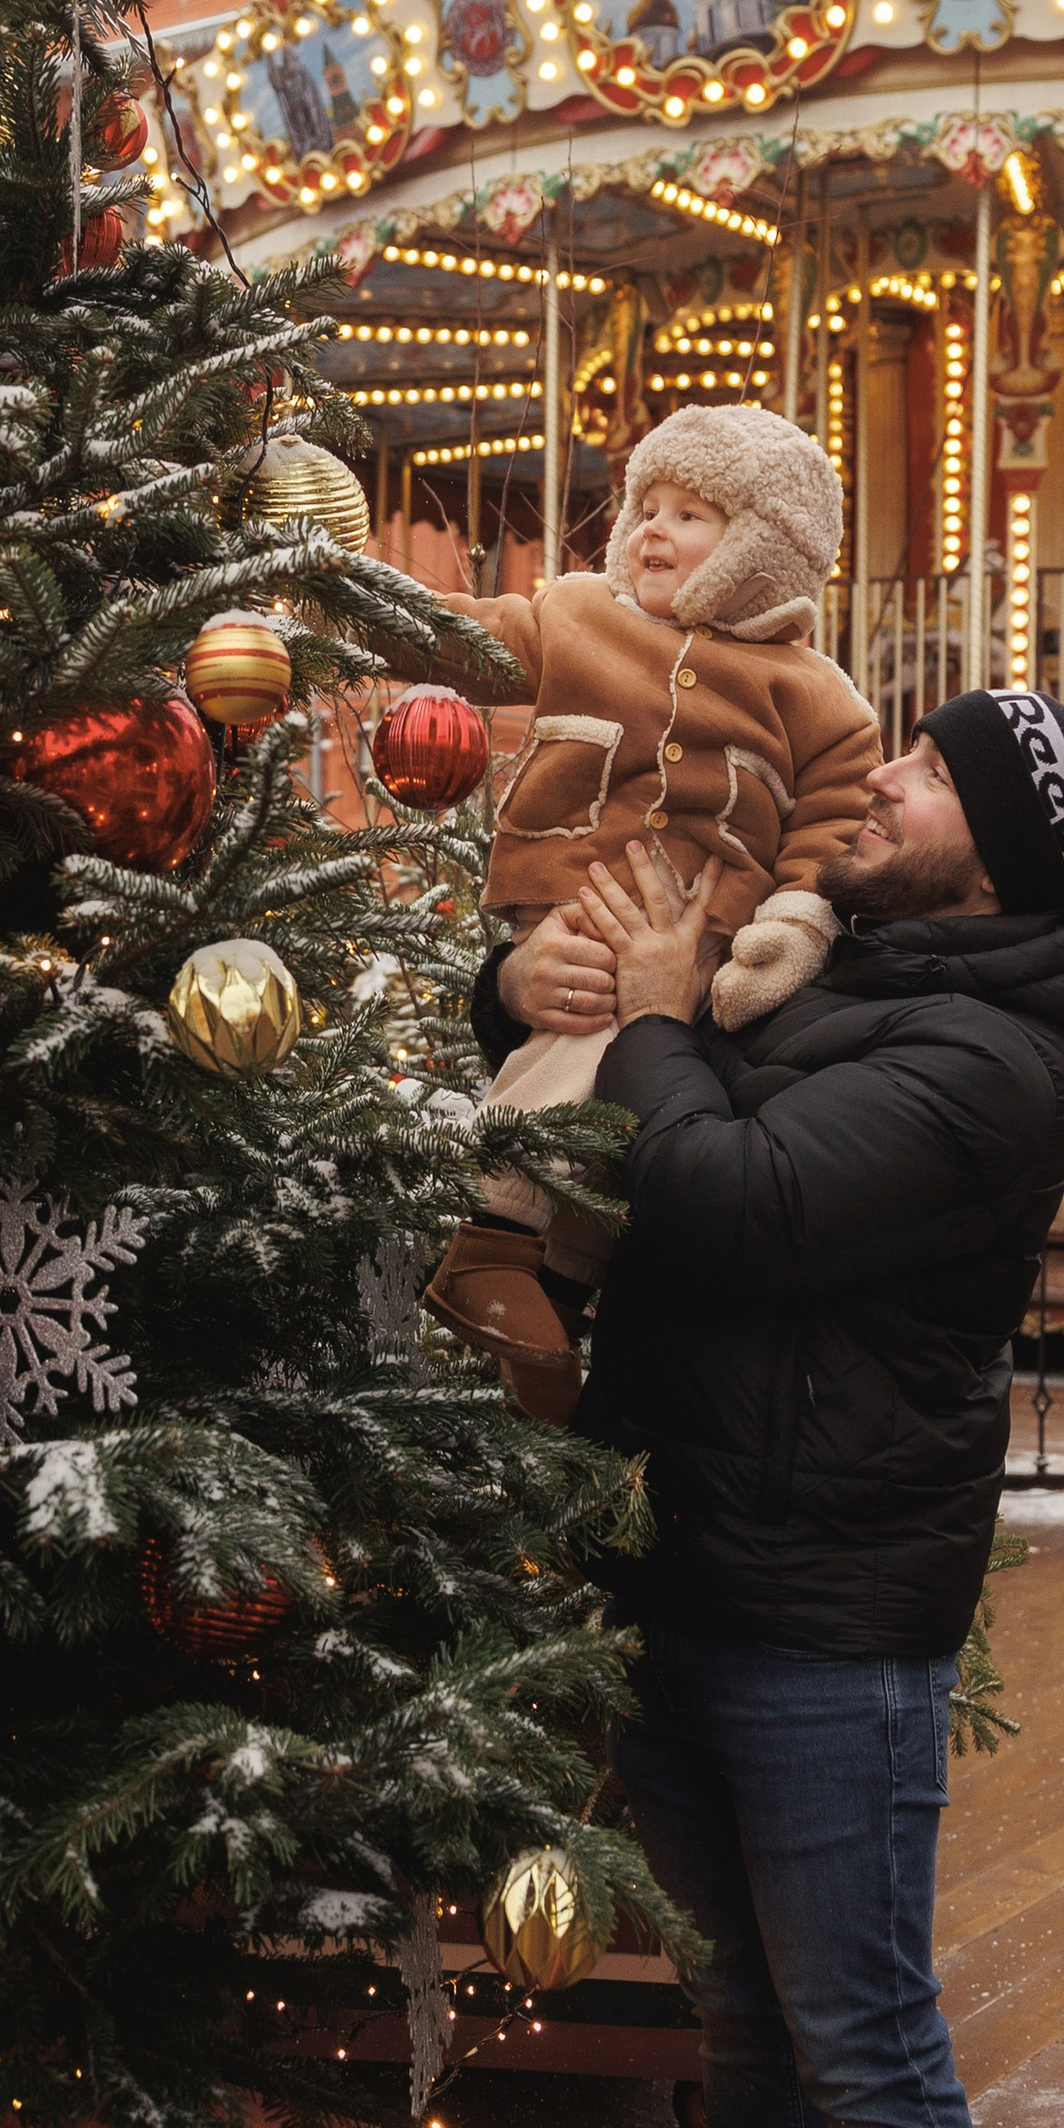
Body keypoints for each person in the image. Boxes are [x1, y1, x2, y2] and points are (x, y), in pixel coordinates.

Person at [478, 685, 1064, 2128]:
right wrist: (539, 974)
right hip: (690, 1549)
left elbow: (739, 1205)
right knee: (743, 2015)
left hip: (824, 1602)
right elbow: (576, 1071)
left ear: (1004, 848)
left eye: (930, 771)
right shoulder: (840, 964)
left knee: (864, 2046)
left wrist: (667, 1015)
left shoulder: (995, 1048)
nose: (881, 777)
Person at [419, 405, 879, 1416]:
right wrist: (362, 613)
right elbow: (470, 639)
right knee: (580, 1043)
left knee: (618, 1117)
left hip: (707, 933)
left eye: (690, 515)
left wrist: (792, 922)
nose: (651, 533)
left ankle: (555, 1294)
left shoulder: (819, 697)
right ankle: (488, 1241)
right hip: (585, 889)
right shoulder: (580, 615)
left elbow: (832, 822)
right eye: (647, 508)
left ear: (763, 547)